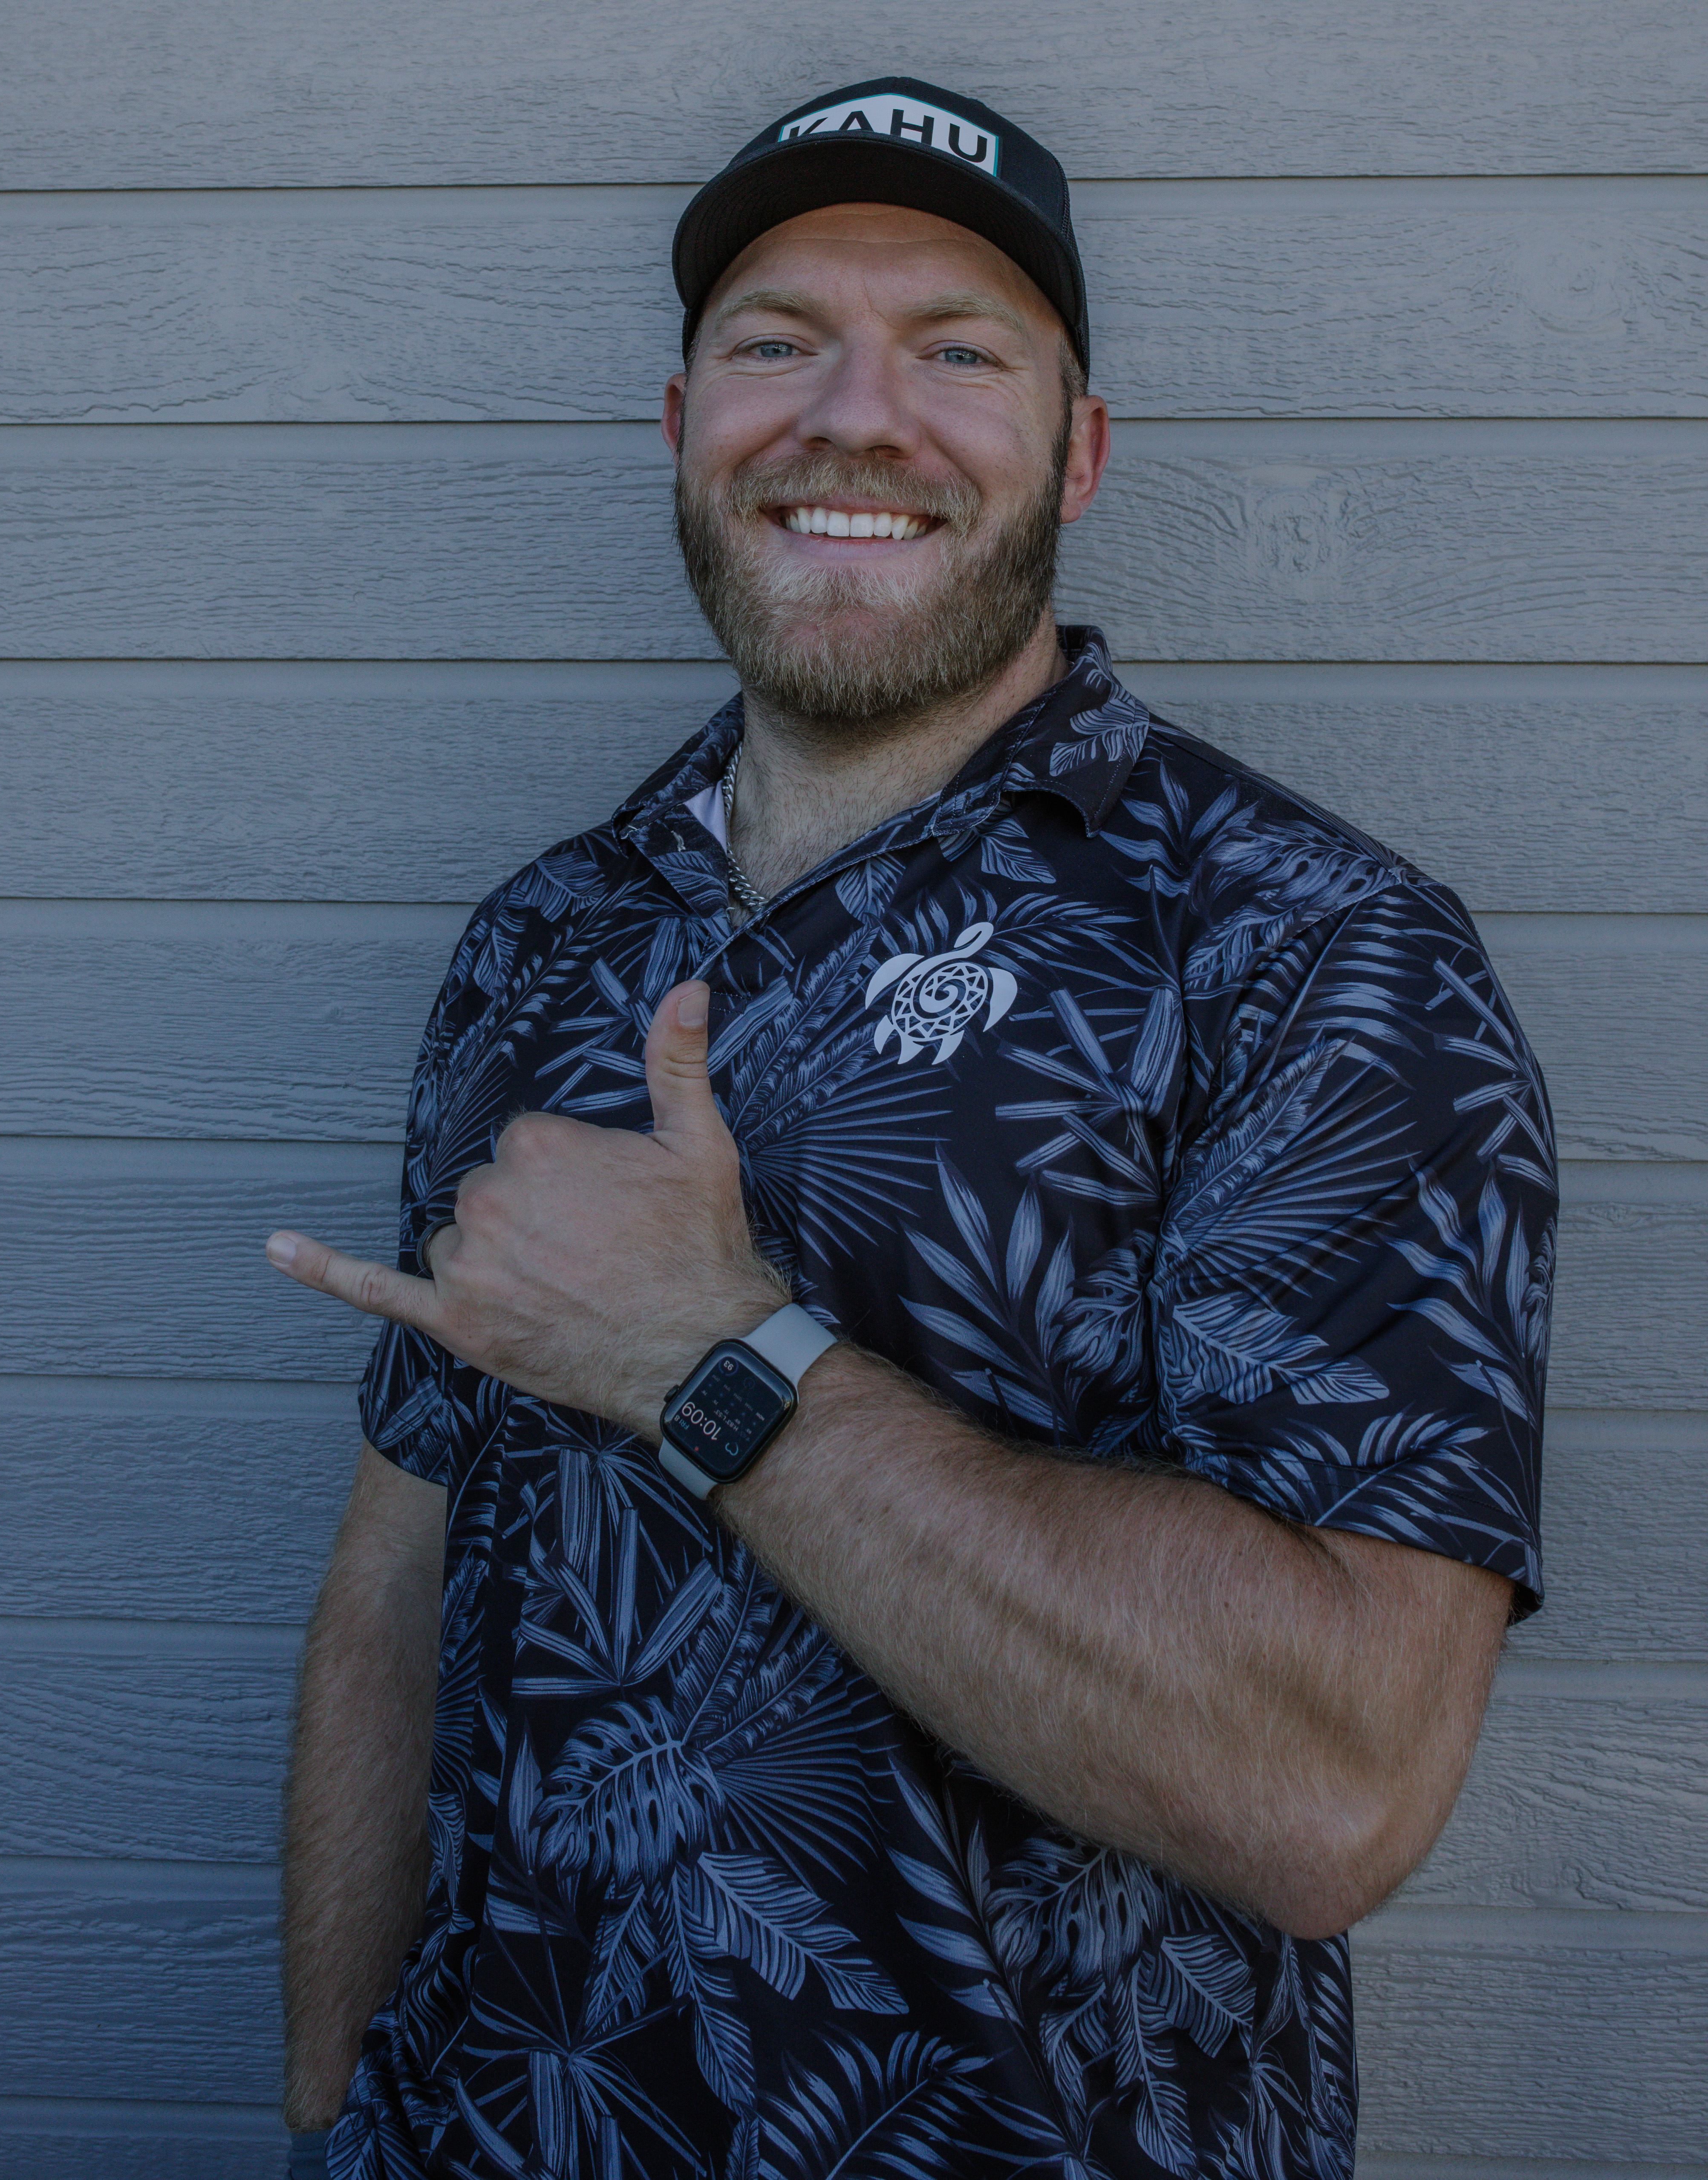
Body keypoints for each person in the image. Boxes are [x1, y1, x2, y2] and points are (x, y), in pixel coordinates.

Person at [266, 78, 1555, 2180]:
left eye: (958, 350)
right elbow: (399, 1568)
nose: (852, 417)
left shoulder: (1308, 953)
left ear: (1081, 447)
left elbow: (1334, 1789)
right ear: (681, 423)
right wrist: (329, 2108)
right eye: (778, 341)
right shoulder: (546, 937)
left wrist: (715, 1356)